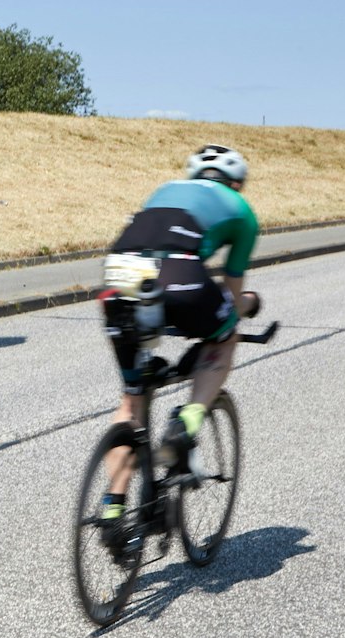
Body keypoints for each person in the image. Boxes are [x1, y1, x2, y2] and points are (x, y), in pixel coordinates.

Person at [94, 144, 259, 527]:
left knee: (131, 401)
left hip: (118, 275)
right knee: (224, 334)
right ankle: (187, 420)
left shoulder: (164, 190)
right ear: (237, 183)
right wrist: (247, 304)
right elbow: (232, 296)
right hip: (178, 275)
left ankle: (113, 509)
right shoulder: (242, 211)